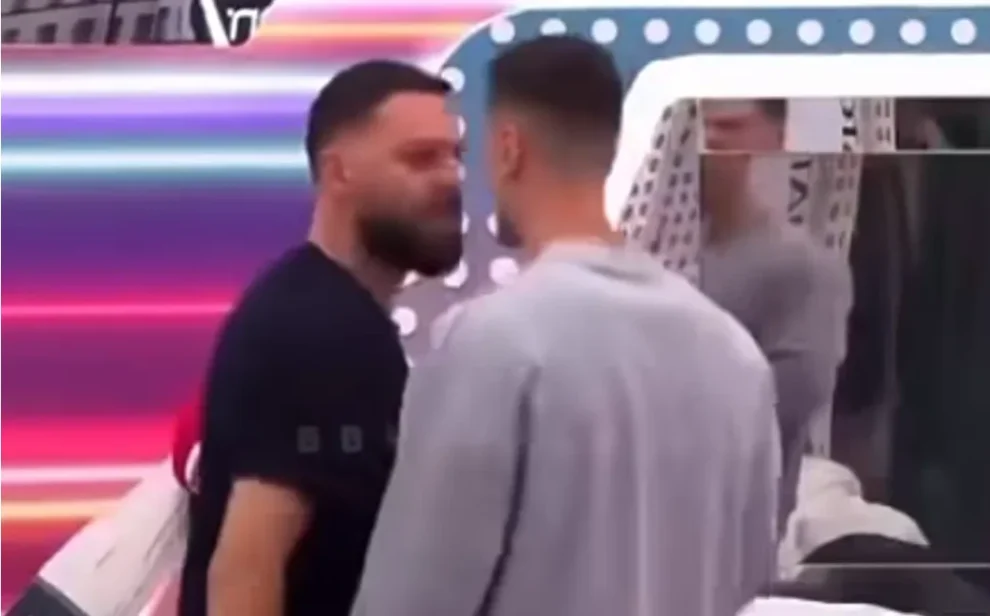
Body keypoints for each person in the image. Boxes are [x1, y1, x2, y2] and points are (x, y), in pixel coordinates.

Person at [351, 36, 780, 616]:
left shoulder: (492, 342)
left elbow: (414, 598)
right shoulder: (736, 356)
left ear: (509, 149)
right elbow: (746, 586)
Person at [178, 60, 463, 616]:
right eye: (420, 158)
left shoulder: (329, 313)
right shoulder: (321, 331)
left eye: (456, 156)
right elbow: (245, 572)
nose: (451, 178)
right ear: (338, 173)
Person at [700, 98, 853, 534]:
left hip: (731, 534)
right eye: (694, 125)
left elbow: (788, 406)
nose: (707, 141)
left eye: (728, 126)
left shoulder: (800, 267)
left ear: (770, 139)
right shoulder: (644, 253)